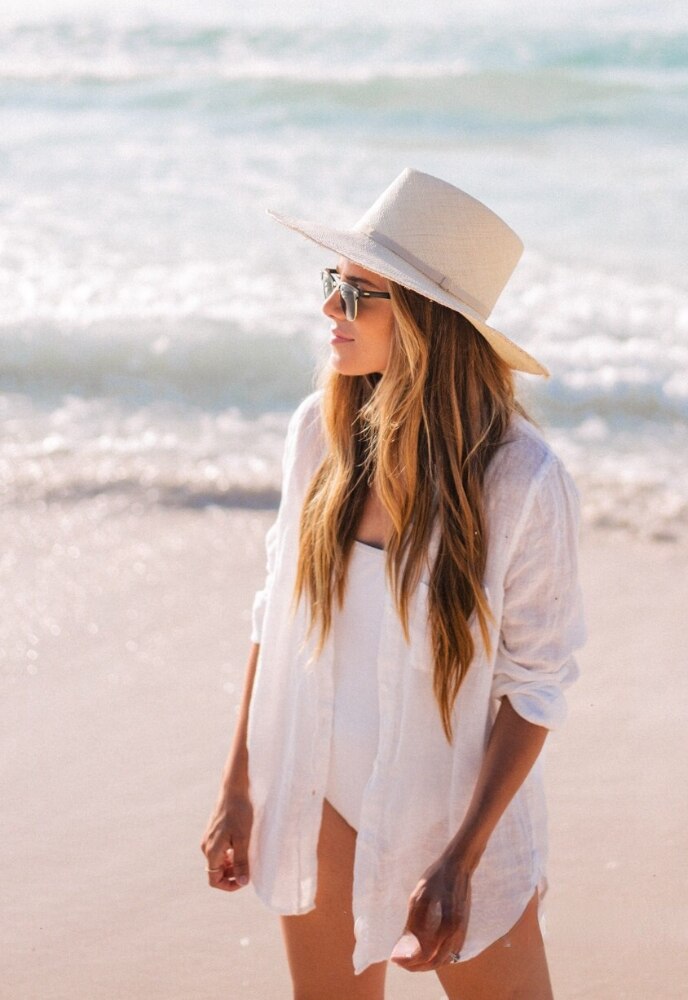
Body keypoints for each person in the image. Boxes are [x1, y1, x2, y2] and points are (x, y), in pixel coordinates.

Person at [201, 168, 586, 1000]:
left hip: (457, 815)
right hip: (319, 790)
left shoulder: (520, 480)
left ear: (425, 322)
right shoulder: (320, 434)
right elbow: (275, 612)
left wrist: (462, 856)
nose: (330, 310)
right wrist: (239, 785)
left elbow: (536, 686)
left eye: (358, 293)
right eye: (332, 284)